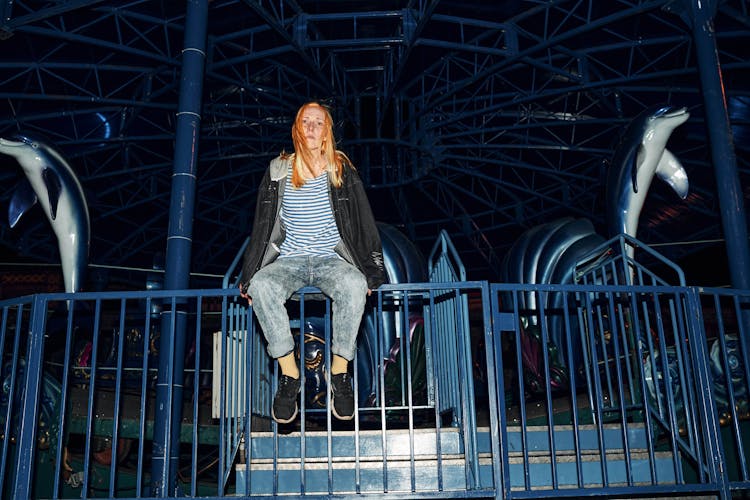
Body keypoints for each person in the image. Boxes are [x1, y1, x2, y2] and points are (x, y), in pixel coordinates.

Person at [239, 101, 385, 423]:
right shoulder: (278, 169)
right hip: (289, 260)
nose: (311, 127)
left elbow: (363, 221)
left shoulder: (340, 168)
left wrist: (372, 273)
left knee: (354, 284)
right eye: (305, 121)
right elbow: (262, 225)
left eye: (318, 122)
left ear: (326, 131)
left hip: (330, 258)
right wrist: (249, 275)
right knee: (263, 285)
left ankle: (340, 373)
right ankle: (290, 376)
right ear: (296, 128)